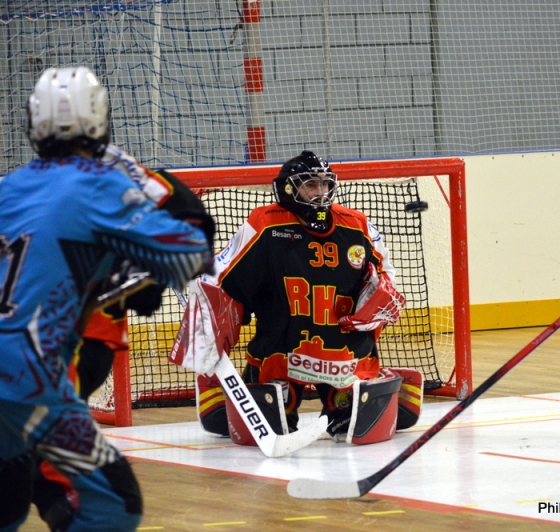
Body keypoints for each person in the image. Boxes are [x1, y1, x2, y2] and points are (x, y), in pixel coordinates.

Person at [0, 66, 213, 531]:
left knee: (7, 498)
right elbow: (189, 254)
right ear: (100, 119)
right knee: (113, 506)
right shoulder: (104, 181)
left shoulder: (7, 188)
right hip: (28, 376)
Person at [193, 150, 423, 447]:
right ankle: (220, 391)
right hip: (281, 346)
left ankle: (373, 386)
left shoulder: (357, 225)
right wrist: (205, 300)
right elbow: (222, 273)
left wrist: (381, 294)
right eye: (311, 184)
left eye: (326, 184)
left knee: (355, 429)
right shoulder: (265, 223)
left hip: (343, 352)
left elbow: (385, 272)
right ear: (288, 188)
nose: (321, 192)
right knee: (270, 427)